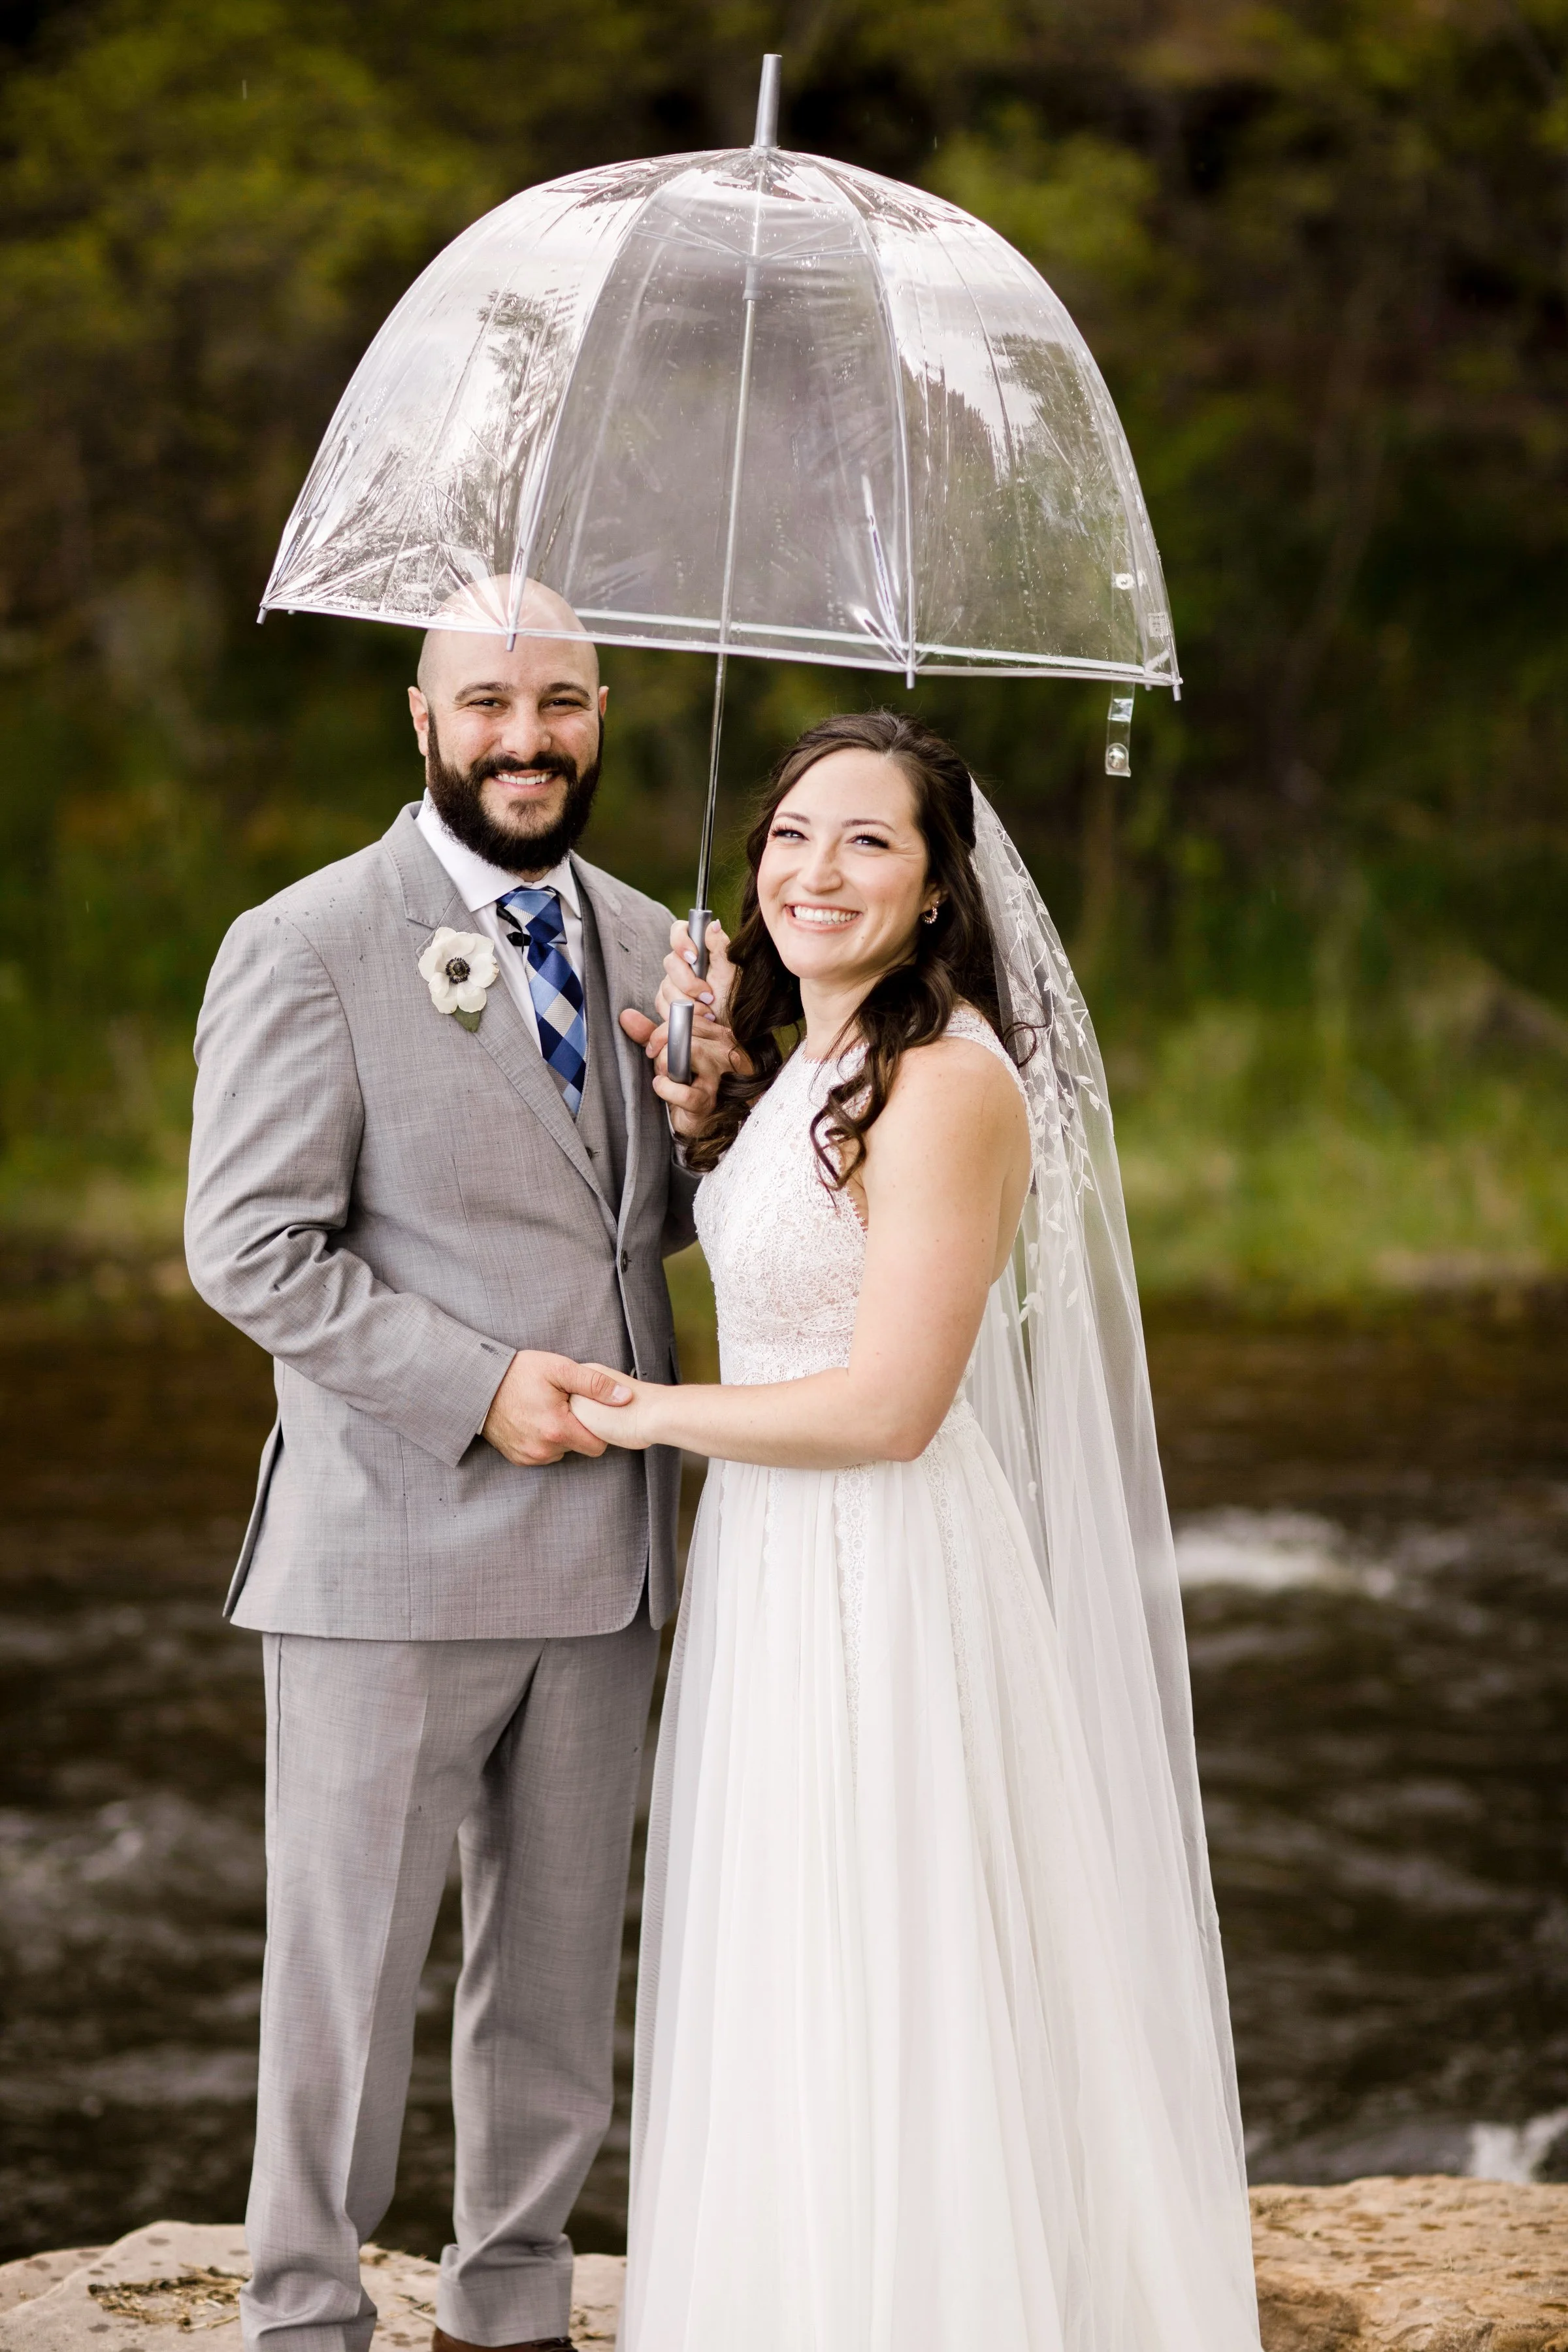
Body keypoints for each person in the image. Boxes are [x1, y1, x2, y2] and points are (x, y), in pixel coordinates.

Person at [572, 711, 1264, 2352]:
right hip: (775, 1569)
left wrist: (647, 1413)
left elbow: (886, 1405)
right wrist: (704, 1120)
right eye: (795, 834)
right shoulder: (807, 1058)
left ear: (941, 890)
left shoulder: (950, 1082)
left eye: (871, 841)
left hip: (883, 1568)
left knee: (892, 1962)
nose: (818, 871)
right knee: (792, 1968)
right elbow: (800, 1247)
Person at [184, 579, 730, 2352]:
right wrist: (479, 1384)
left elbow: (685, 1228)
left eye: (561, 702)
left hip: (613, 1553)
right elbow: (249, 1245)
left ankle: (512, 2308)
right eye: (488, 702)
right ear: (419, 718)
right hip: (390, 1550)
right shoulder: (311, 940)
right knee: (346, 1983)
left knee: (559, 1982)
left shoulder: (664, 946)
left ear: (602, 713)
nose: (526, 738)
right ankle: (302, 2317)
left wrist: (719, 1122)